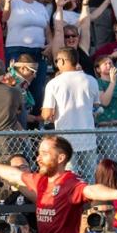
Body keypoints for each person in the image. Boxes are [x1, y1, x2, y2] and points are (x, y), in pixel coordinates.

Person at [41, 49, 99, 178]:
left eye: (57, 61)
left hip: (65, 140)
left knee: (68, 178)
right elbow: (96, 106)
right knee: (90, 178)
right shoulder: (91, 80)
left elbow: (46, 114)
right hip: (88, 137)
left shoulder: (54, 83)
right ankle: (89, 199)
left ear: (62, 61)